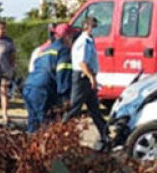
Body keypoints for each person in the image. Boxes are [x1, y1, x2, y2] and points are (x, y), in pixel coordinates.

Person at [21, 23, 74, 134]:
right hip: (43, 90)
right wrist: (65, 97)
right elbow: (63, 73)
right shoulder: (64, 50)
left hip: (29, 87)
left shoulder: (45, 50)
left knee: (33, 124)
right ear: (67, 36)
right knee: (46, 126)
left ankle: (31, 142)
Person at [66, 16, 110, 148]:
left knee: (95, 109)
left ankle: (105, 134)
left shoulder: (90, 41)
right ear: (87, 27)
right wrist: (91, 78)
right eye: (93, 27)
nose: (95, 29)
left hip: (88, 77)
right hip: (82, 78)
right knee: (75, 108)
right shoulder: (83, 42)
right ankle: (60, 130)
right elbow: (82, 63)